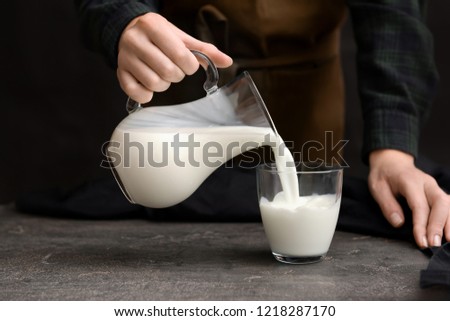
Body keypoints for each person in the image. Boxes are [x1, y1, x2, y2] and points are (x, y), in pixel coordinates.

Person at [74, 0, 450, 249]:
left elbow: (394, 13)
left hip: (309, 97)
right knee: (181, 239)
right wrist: (124, 18)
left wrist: (394, 153)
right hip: (183, 76)